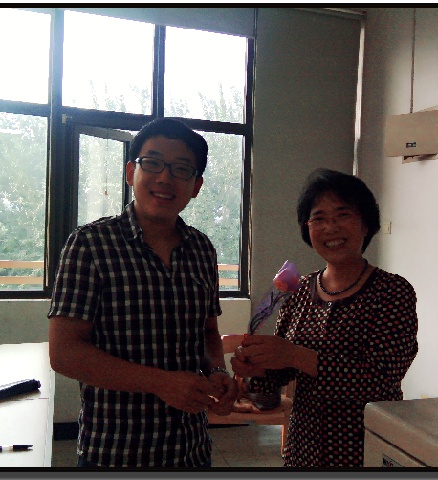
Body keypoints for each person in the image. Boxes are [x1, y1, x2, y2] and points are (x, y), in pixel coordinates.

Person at [48, 118, 238, 468]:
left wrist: (217, 372)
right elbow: (65, 354)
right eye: (152, 163)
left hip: (191, 450)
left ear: (196, 186)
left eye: (181, 169)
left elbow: (207, 332)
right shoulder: (90, 245)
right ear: (130, 172)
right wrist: (161, 383)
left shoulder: (202, 249)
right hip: (115, 454)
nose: (165, 178)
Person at [231, 168, 418, 468]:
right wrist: (258, 368)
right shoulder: (300, 289)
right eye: (318, 218)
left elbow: (382, 378)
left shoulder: (392, 291)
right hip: (304, 447)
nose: (330, 228)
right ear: (307, 229)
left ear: (365, 224)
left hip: (364, 447)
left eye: (343, 215)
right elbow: (282, 372)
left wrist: (295, 355)